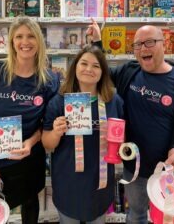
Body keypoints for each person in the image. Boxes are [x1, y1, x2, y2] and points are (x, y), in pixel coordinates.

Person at [87, 21, 174, 224]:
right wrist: (96, 44)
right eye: (137, 45)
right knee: (136, 215)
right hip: (135, 170)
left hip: (169, 173)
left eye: (149, 42)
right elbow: (102, 73)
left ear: (164, 44)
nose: (142, 49)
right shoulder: (129, 72)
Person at [0, 17, 60, 224]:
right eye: (19, 36)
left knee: (30, 206)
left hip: (28, 161)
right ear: (11, 41)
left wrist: (30, 143)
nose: (25, 42)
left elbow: (46, 124)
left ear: (39, 41)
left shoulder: (49, 80)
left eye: (30, 36)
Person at [41, 45, 124, 224]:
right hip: (68, 182)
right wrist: (56, 132)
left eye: (96, 66)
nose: (89, 69)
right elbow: (47, 144)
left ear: (103, 72)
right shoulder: (59, 101)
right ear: (75, 67)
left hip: (100, 185)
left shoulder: (113, 101)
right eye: (84, 63)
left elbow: (122, 139)